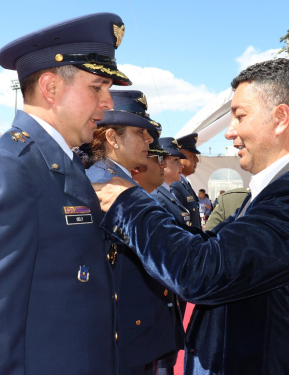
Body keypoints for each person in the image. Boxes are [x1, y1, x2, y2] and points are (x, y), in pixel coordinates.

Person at [94, 58, 289, 374]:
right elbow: (214, 246)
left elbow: (203, 271)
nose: (230, 132)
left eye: (240, 116)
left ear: (281, 118)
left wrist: (127, 203)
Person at [0, 13, 131, 375]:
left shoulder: (63, 163)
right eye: (97, 87)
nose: (108, 103)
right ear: (50, 88)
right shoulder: (6, 169)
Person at [86, 90, 181, 375]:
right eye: (141, 133)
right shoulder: (104, 185)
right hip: (123, 337)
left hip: (136, 333)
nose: (150, 140)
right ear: (113, 138)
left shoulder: (122, 183)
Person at [132, 138, 186, 375]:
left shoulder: (164, 195)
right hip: (145, 311)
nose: (163, 167)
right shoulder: (152, 200)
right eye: (157, 160)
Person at [171, 133, 202, 228]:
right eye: (192, 156)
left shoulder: (184, 183)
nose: (197, 160)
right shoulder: (174, 184)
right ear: (179, 157)